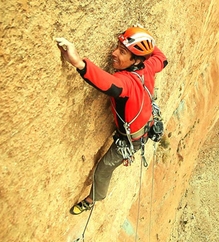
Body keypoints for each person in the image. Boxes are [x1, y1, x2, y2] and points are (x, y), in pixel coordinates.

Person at [56, 26, 168, 215]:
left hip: (132, 140)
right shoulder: (148, 66)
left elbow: (109, 84)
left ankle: (93, 199)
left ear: (137, 59)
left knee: (104, 168)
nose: (113, 53)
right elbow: (162, 60)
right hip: (146, 124)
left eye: (122, 52)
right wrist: (147, 41)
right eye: (117, 47)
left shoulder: (126, 82)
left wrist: (78, 62)